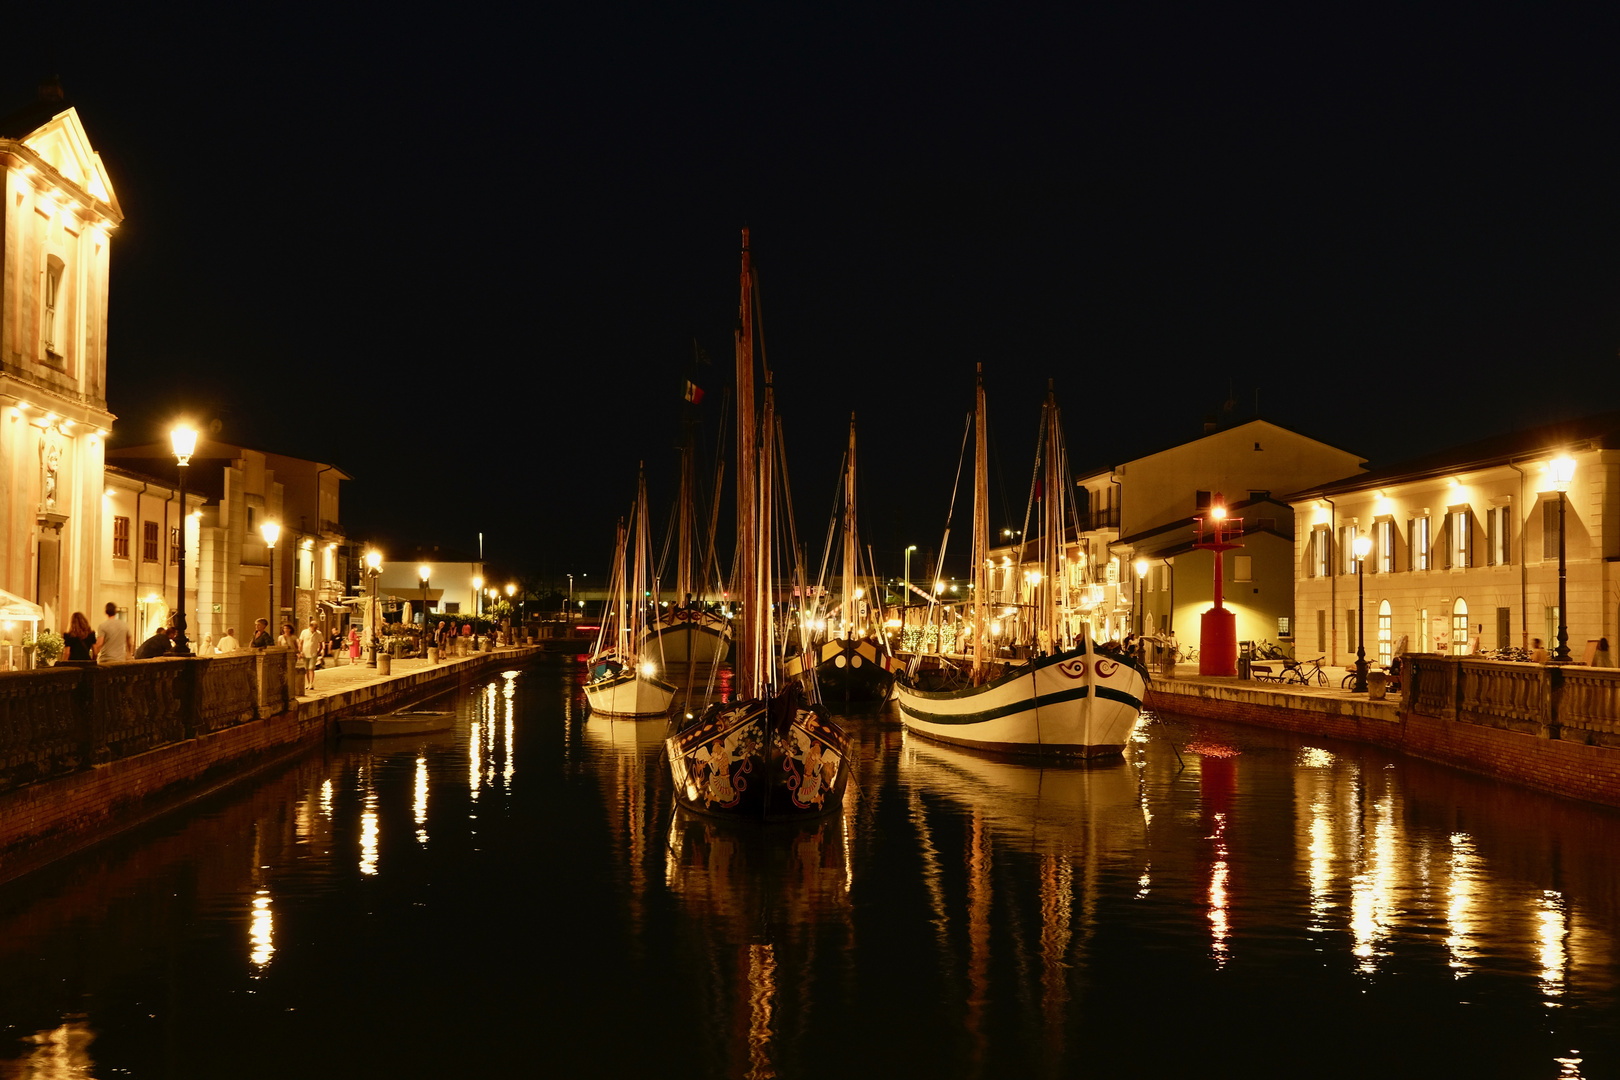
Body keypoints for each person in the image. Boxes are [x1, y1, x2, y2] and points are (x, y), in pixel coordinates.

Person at [298, 617, 321, 692]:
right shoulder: (304, 632)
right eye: (314, 627)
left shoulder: (318, 633)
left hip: (313, 653)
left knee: (311, 669)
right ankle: (307, 683)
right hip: (305, 653)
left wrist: (319, 651)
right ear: (310, 626)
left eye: (316, 628)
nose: (315, 629)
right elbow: (301, 642)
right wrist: (300, 651)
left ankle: (311, 683)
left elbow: (320, 643)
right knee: (306, 669)